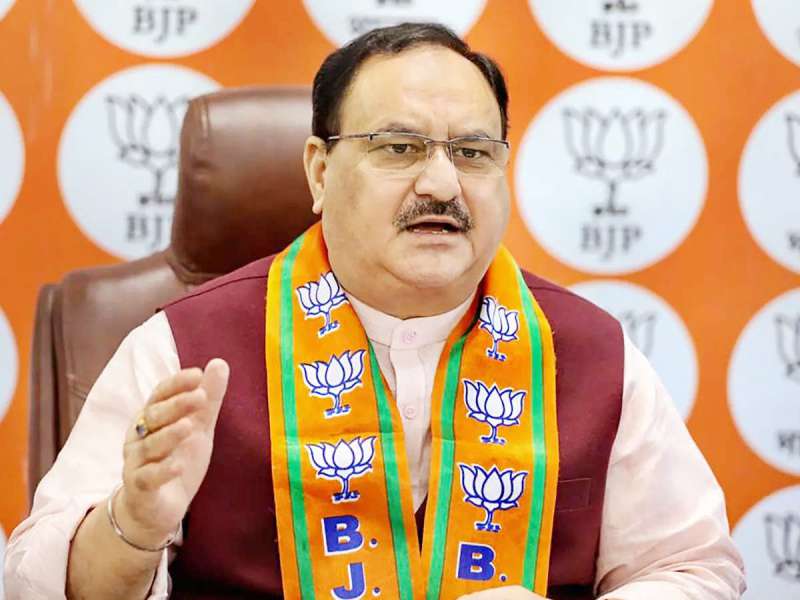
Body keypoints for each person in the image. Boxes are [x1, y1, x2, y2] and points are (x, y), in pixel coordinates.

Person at [5, 23, 745, 600]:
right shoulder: (183, 350)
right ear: (320, 172)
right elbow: (34, 581)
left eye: (474, 153)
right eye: (399, 147)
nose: (442, 184)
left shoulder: (589, 354)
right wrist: (131, 529)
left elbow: (694, 567)